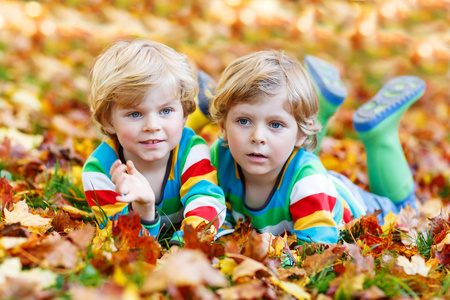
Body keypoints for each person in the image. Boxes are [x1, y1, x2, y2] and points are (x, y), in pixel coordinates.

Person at [204, 50, 425, 244]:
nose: (257, 137)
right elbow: (212, 212)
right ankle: (323, 106)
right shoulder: (220, 156)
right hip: (306, 182)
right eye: (243, 121)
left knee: (405, 209)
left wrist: (275, 260)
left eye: (275, 124)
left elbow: (317, 248)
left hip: (363, 209)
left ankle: (380, 134)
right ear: (223, 125)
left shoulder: (310, 184)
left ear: (301, 133)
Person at [81, 39, 226, 245]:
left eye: (166, 110)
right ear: (108, 120)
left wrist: (184, 243)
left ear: (184, 112)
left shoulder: (191, 151)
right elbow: (126, 243)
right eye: (135, 114)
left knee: (175, 134)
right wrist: (145, 209)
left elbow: (208, 202)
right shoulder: (100, 171)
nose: (152, 125)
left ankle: (200, 111)